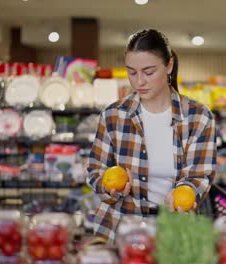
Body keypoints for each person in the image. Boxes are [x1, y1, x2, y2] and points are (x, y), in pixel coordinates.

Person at [87, 28, 217, 243]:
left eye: (148, 72)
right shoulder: (113, 115)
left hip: (176, 234)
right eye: (132, 72)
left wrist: (186, 192)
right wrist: (108, 187)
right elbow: (96, 170)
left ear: (169, 66)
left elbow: (199, 175)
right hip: (119, 230)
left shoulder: (198, 117)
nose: (139, 82)